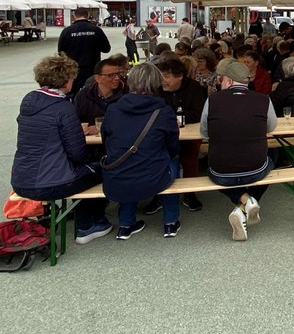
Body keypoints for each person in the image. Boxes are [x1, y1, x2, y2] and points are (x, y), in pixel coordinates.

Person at [11, 54, 111, 244]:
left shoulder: (29, 102)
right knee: (101, 170)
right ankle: (88, 224)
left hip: (21, 179)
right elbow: (78, 153)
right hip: (50, 183)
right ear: (66, 81)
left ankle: (74, 216)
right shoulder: (63, 108)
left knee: (82, 170)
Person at [200, 59, 278, 241]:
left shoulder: (212, 100)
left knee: (211, 168)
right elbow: (271, 127)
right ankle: (248, 201)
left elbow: (204, 132)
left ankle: (243, 202)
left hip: (221, 172)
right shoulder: (263, 99)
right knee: (271, 159)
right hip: (255, 171)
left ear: (227, 81)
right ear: (247, 81)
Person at [101, 63, 181, 239]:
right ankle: (170, 221)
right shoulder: (163, 111)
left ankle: (125, 224)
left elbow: (105, 140)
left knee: (130, 165)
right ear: (156, 83)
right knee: (174, 161)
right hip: (154, 177)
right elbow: (173, 146)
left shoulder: (113, 109)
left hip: (118, 176)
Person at [154, 57, 208, 213]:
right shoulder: (157, 89)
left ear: (179, 76)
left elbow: (198, 113)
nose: (163, 81)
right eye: (161, 76)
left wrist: (176, 118)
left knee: (190, 158)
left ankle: (190, 193)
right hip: (164, 132)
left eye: (167, 77)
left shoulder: (194, 88)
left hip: (189, 131)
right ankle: (158, 195)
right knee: (158, 157)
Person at [57, 7, 111, 95]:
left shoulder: (67, 31)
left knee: (73, 93)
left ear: (74, 16)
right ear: (88, 16)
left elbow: (61, 52)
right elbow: (106, 49)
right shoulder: (96, 30)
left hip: (73, 70)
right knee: (92, 93)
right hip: (92, 69)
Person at [73, 58, 127, 134]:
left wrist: (102, 127)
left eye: (118, 74)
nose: (117, 78)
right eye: (111, 75)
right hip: (91, 143)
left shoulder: (127, 94)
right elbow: (75, 122)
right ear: (97, 78)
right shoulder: (83, 96)